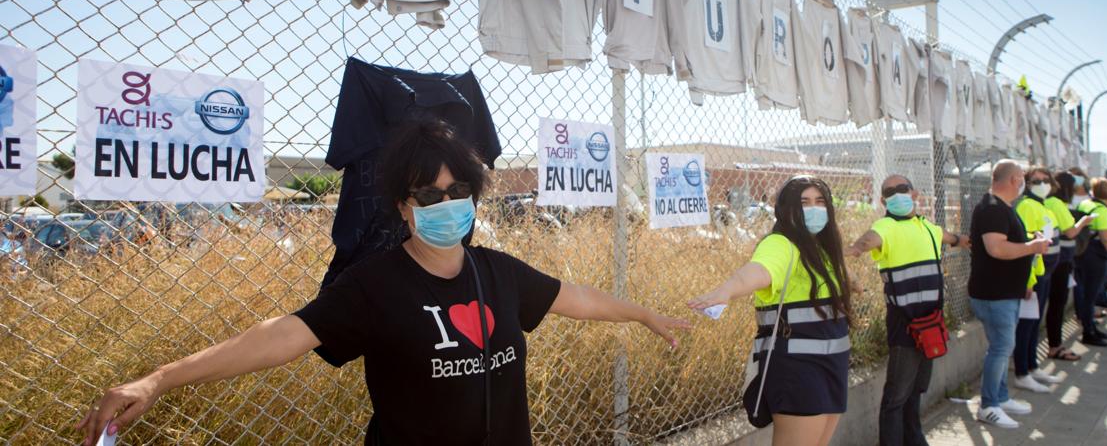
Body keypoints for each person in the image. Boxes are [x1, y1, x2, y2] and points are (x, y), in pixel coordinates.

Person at [77, 119, 689, 446]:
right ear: (403, 206)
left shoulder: (497, 273)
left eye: (459, 193)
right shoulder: (373, 286)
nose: (446, 204)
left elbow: (573, 298)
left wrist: (643, 315)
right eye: (429, 194)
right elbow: (282, 335)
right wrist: (160, 378)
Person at [690, 175, 853, 446]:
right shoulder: (780, 244)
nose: (813, 208)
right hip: (799, 372)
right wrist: (728, 289)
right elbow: (759, 271)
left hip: (831, 368)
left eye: (819, 201)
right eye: (804, 202)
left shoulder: (819, 249)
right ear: (786, 209)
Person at [847, 174, 969, 446]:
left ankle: (915, 439)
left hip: (932, 324)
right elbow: (869, 239)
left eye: (902, 188)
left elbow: (949, 237)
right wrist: (853, 248)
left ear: (914, 193)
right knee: (896, 396)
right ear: (882, 200)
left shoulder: (927, 227)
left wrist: (963, 240)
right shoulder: (886, 226)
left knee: (916, 391)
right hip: (905, 326)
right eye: (891, 191)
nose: (898, 194)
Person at [968, 161, 1050, 429]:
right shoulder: (993, 209)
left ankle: (1000, 398)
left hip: (1004, 293)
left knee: (1003, 348)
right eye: (1023, 178)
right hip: (994, 294)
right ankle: (989, 405)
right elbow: (997, 249)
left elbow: (1005, 242)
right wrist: (1032, 246)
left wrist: (1028, 240)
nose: (1024, 183)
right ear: (1015, 179)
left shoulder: (1001, 208)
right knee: (1001, 348)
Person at [1011, 167, 1063, 394]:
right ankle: (1022, 371)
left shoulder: (1043, 206)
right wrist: (1028, 280)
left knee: (1035, 322)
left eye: (1045, 180)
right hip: (1035, 277)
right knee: (1026, 324)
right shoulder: (1026, 206)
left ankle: (1032, 365)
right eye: (1036, 180)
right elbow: (1027, 247)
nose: (1042, 184)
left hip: (1046, 272)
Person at [1045, 170, 1093, 362]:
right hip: (1060, 259)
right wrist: (1084, 222)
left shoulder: (1046, 202)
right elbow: (1070, 232)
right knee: (1057, 303)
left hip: (1049, 259)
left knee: (1047, 305)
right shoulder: (1056, 204)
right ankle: (1055, 345)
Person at [1073, 178, 1107, 348]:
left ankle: (1090, 326)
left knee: (1084, 293)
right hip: (1097, 256)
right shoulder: (1103, 211)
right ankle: (1089, 331)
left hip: (1081, 252)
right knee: (1091, 296)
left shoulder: (1086, 204)